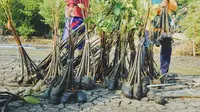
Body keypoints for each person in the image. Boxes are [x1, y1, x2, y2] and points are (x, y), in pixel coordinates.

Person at [153, 0, 177, 83]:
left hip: (165, 28)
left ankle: (163, 74)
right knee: (145, 48)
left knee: (166, 52)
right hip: (150, 25)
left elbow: (174, 7)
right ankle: (146, 72)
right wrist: (159, 7)